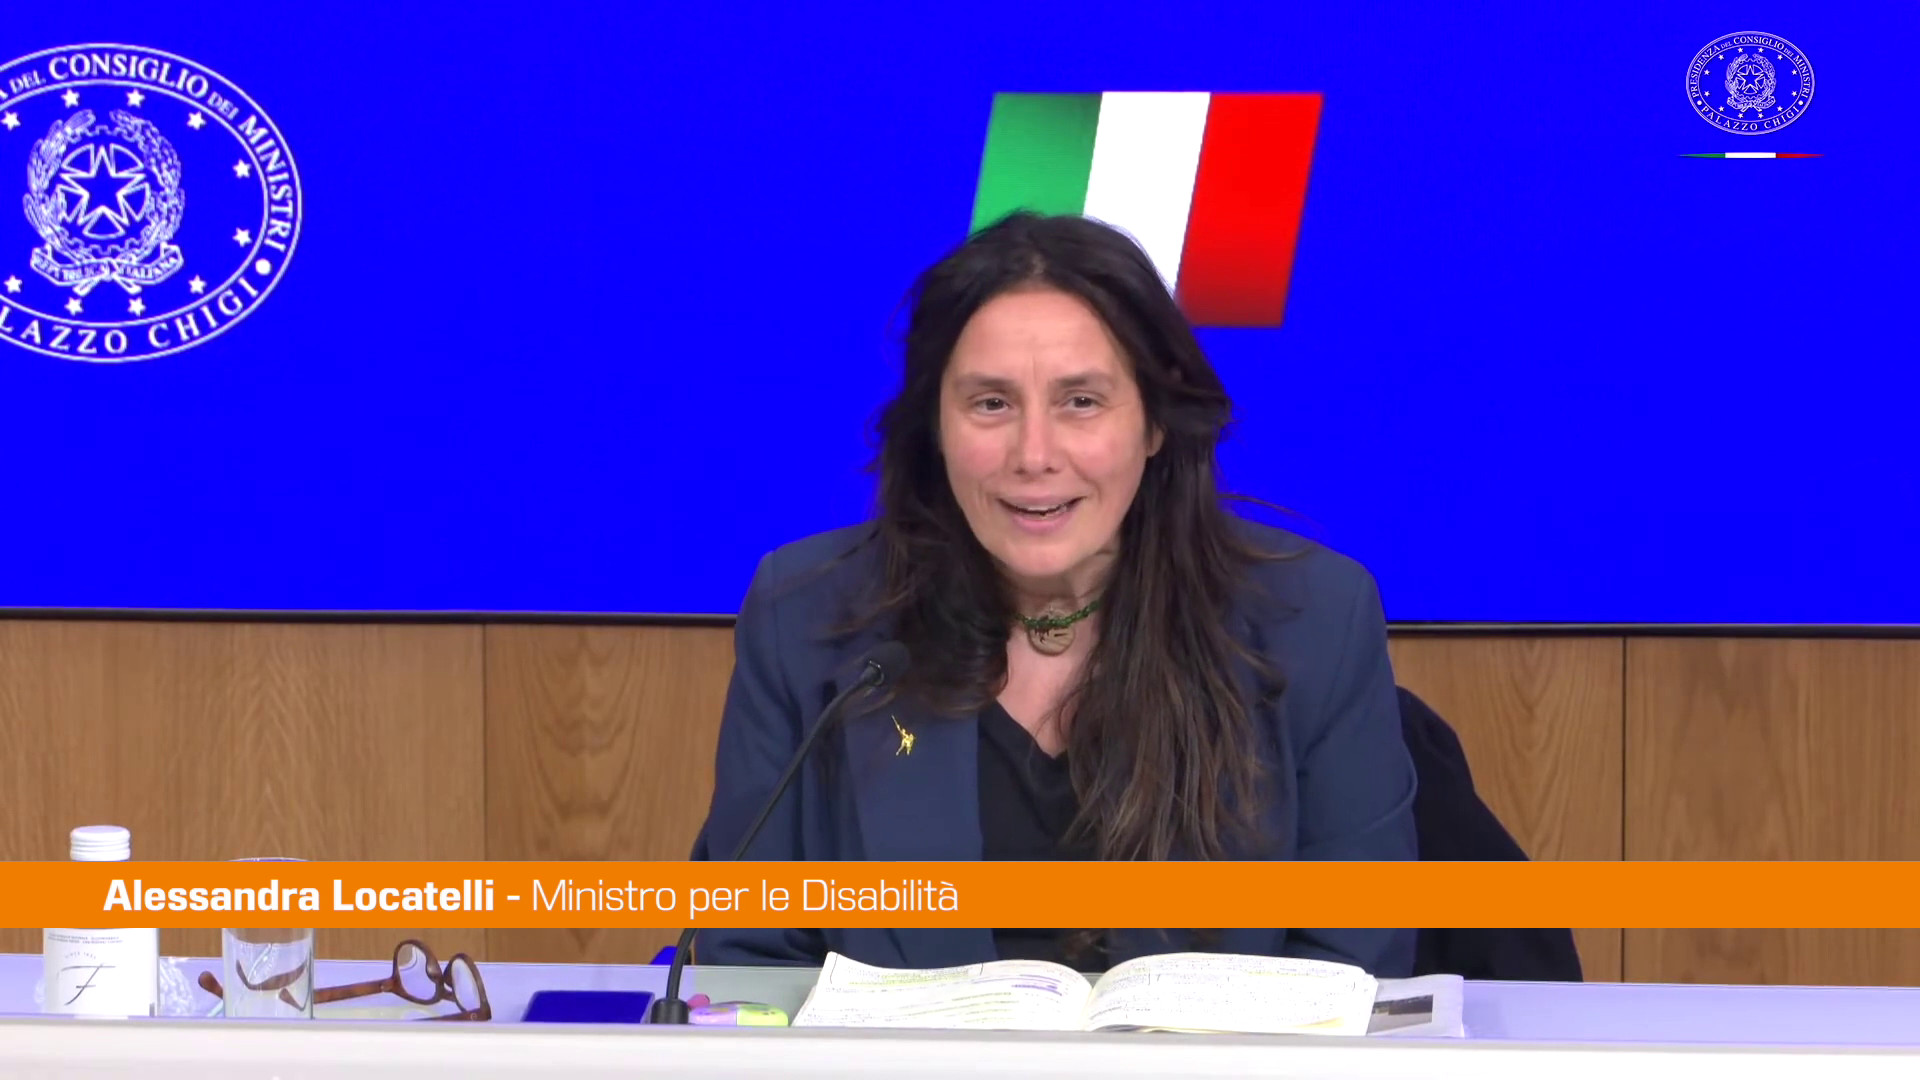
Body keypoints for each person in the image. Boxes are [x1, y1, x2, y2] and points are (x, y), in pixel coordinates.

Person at [689, 211, 1418, 975]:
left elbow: (1355, 961)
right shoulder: (805, 616)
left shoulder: (1314, 617)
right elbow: (750, 956)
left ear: (1155, 424)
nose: (1034, 455)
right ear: (935, 426)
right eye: (991, 403)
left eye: (1081, 402)